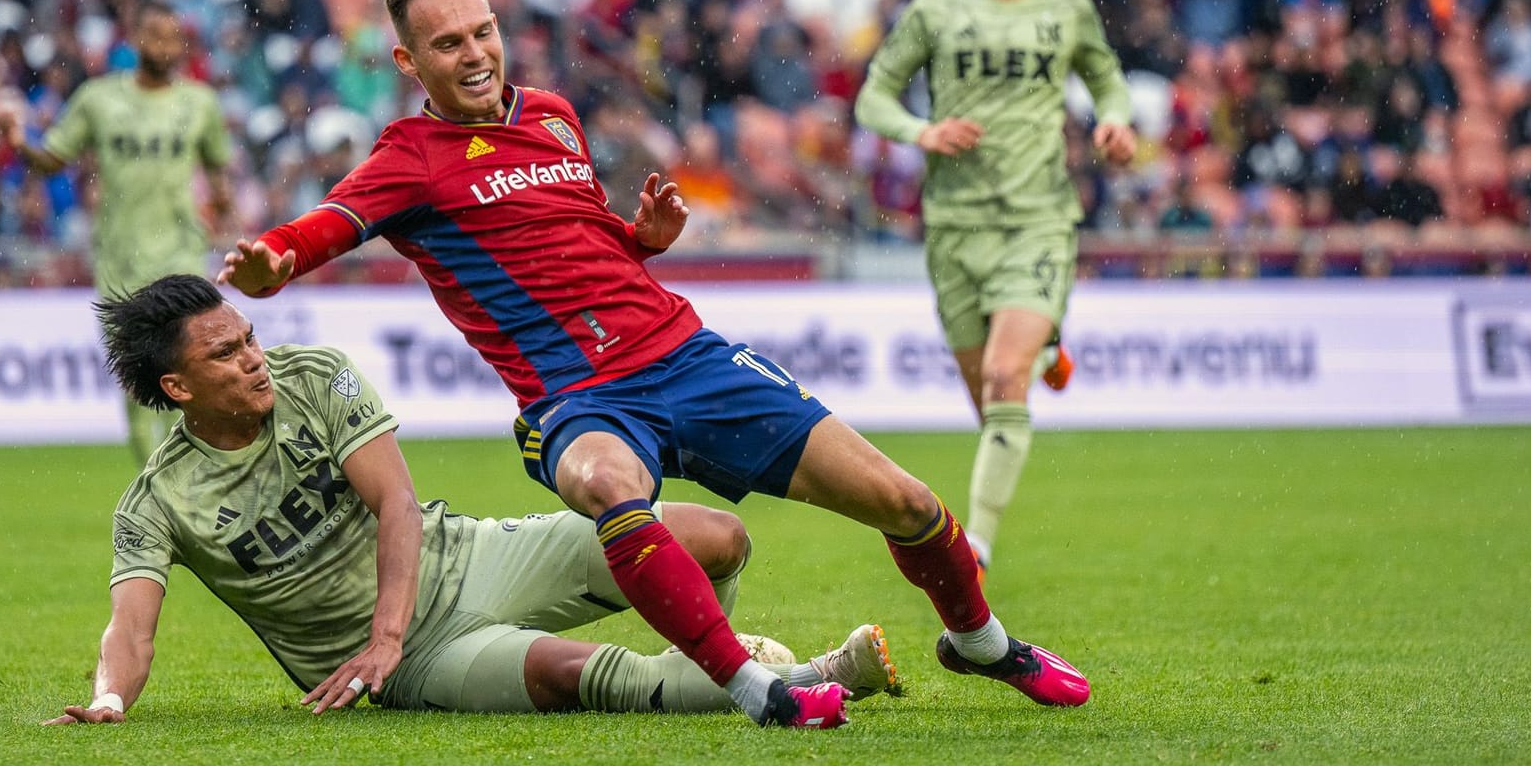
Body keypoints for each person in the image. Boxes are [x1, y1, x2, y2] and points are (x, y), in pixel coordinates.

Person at [219, 0, 1091, 733]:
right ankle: (754, 688)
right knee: (608, 486)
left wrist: (642, 239)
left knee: (902, 501)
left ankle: (981, 641)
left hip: (688, 358)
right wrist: (274, 262)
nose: (476, 53)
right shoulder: (411, 155)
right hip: (576, 397)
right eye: (447, 44)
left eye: (483, 30)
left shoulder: (555, 117)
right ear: (408, 62)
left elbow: (578, 238)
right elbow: (328, 223)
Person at [45, 275, 896, 725]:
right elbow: (133, 626)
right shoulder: (155, 503)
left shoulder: (315, 374)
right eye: (225, 354)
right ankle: (811, 676)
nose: (253, 357)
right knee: (584, 680)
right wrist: (112, 700)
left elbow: (398, 505)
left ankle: (708, 661)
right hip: (412, 663)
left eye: (249, 337)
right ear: (177, 385)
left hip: (469, 556)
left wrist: (384, 632)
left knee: (720, 536)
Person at [855, 0, 1136, 577]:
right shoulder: (934, 12)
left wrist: (1114, 121)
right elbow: (874, 99)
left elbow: (1106, 79)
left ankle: (973, 546)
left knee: (1007, 381)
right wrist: (922, 132)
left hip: (1039, 216)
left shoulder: (1067, 10)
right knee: (992, 401)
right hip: (955, 226)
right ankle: (1048, 344)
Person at [0, 2, 234, 461]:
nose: (162, 45)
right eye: (153, 35)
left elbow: (219, 173)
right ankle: (158, 480)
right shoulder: (98, 99)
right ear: (134, 38)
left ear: (181, 45)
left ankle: (187, 479)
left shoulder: (200, 103)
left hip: (181, 255)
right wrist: (18, 142)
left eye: (170, 37)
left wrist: (224, 210)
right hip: (120, 259)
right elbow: (53, 159)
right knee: (137, 384)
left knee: (191, 371)